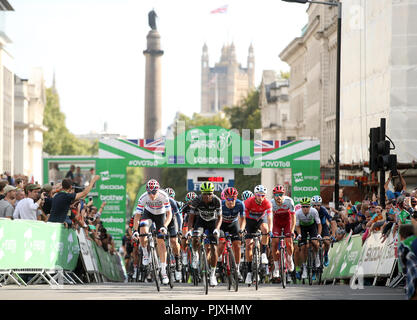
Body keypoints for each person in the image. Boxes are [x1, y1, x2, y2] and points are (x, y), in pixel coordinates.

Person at [132, 179, 172, 285]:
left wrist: (165, 226)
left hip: (161, 215)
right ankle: (145, 253)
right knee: (143, 229)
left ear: (157, 190)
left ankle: (163, 272)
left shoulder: (164, 196)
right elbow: (137, 216)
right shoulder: (143, 198)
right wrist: (135, 230)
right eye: (149, 192)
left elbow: (169, 214)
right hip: (148, 213)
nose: (152, 195)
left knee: (161, 242)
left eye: (154, 192)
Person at [187, 182, 222, 287]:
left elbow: (220, 218)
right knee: (196, 238)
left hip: (213, 222)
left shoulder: (217, 200)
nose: (207, 196)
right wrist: (189, 230)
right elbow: (191, 217)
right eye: (205, 194)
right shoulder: (196, 200)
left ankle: (212, 275)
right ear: (201, 193)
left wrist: (217, 229)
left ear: (213, 193)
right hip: (200, 221)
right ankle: (195, 254)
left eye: (210, 194)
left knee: (214, 249)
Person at [243, 185, 272, 285]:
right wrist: (242, 229)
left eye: (263, 195)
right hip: (249, 221)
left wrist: (270, 230)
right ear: (255, 195)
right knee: (248, 245)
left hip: (260, 219)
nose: (261, 197)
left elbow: (269, 218)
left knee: (265, 229)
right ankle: (249, 272)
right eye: (259, 195)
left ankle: (263, 253)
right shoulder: (248, 202)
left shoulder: (267, 203)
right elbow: (243, 218)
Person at [217, 187, 245, 281]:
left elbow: (243, 219)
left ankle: (237, 269)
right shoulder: (220, 204)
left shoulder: (240, 204)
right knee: (221, 243)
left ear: (236, 198)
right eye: (228, 198)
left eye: (233, 198)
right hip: (222, 224)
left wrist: (241, 229)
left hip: (234, 224)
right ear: (224, 198)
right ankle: (218, 261)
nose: (230, 201)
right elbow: (216, 219)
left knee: (237, 245)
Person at [270, 184, 296, 279]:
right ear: (274, 196)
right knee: (274, 243)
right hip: (276, 222)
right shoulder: (271, 203)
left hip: (287, 222)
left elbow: (293, 217)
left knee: (289, 243)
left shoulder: (289, 201)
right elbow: (270, 218)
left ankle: (289, 259)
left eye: (281, 194)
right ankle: (276, 268)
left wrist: (292, 230)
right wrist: (270, 230)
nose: (279, 197)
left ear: (283, 194)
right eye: (276, 195)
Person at [295, 197, 322, 279]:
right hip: (302, 228)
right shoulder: (298, 213)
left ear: (310, 207)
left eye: (307, 206)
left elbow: (319, 224)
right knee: (303, 247)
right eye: (303, 207)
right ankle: (304, 267)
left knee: (314, 242)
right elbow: (298, 226)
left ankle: (317, 256)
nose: (305, 208)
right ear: (301, 207)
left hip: (312, 227)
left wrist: (319, 234)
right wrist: (299, 234)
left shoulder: (314, 211)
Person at [311, 195, 336, 267]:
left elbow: (332, 222)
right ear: (312, 205)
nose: (316, 207)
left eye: (318, 205)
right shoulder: (310, 211)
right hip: (314, 227)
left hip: (323, 226)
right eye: (314, 205)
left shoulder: (323, 210)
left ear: (320, 205)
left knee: (327, 242)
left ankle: (326, 255)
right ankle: (313, 262)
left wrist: (333, 235)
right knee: (313, 244)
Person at [164, 187, 182, 281]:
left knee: (174, 241)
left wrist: (180, 229)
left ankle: (177, 258)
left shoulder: (173, 202)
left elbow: (179, 216)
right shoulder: (159, 201)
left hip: (172, 221)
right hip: (161, 221)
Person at [398, 224, 417, 300]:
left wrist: (404, 270)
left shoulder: (403, 244)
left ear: (401, 234)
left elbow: (402, 264)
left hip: (413, 274)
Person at [180, 191, 197, 268]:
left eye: (193, 201)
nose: (191, 203)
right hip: (186, 223)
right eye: (189, 202)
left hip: (196, 223)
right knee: (183, 236)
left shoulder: (199, 206)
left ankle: (196, 254)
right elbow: (181, 218)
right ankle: (184, 253)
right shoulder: (185, 207)